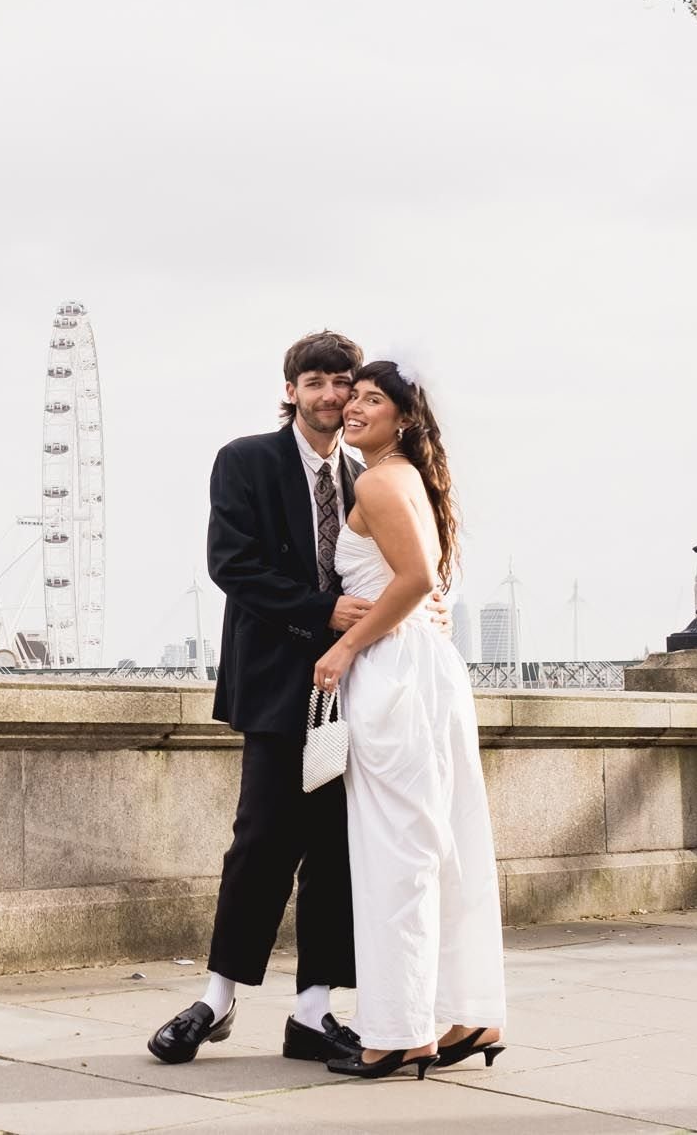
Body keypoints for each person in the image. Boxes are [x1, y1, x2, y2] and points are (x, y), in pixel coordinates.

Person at [150, 331, 408, 1067]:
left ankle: (312, 1010)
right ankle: (216, 998)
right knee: (260, 842)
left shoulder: (368, 475)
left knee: (335, 851)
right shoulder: (245, 460)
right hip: (275, 682)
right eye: (314, 381)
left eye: (342, 381)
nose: (330, 394)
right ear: (291, 390)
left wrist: (423, 608)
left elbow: (403, 567)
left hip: (354, 685)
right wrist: (321, 611)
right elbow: (231, 564)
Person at [311, 359, 506, 1080]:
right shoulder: (407, 479)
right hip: (425, 667)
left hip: (393, 672)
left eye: (373, 399)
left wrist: (343, 648)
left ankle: (398, 1033)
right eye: (354, 396)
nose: (354, 407)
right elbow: (423, 578)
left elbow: (417, 578)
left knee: (396, 855)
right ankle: (468, 1011)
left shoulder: (378, 481)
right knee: (444, 844)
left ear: (404, 418)